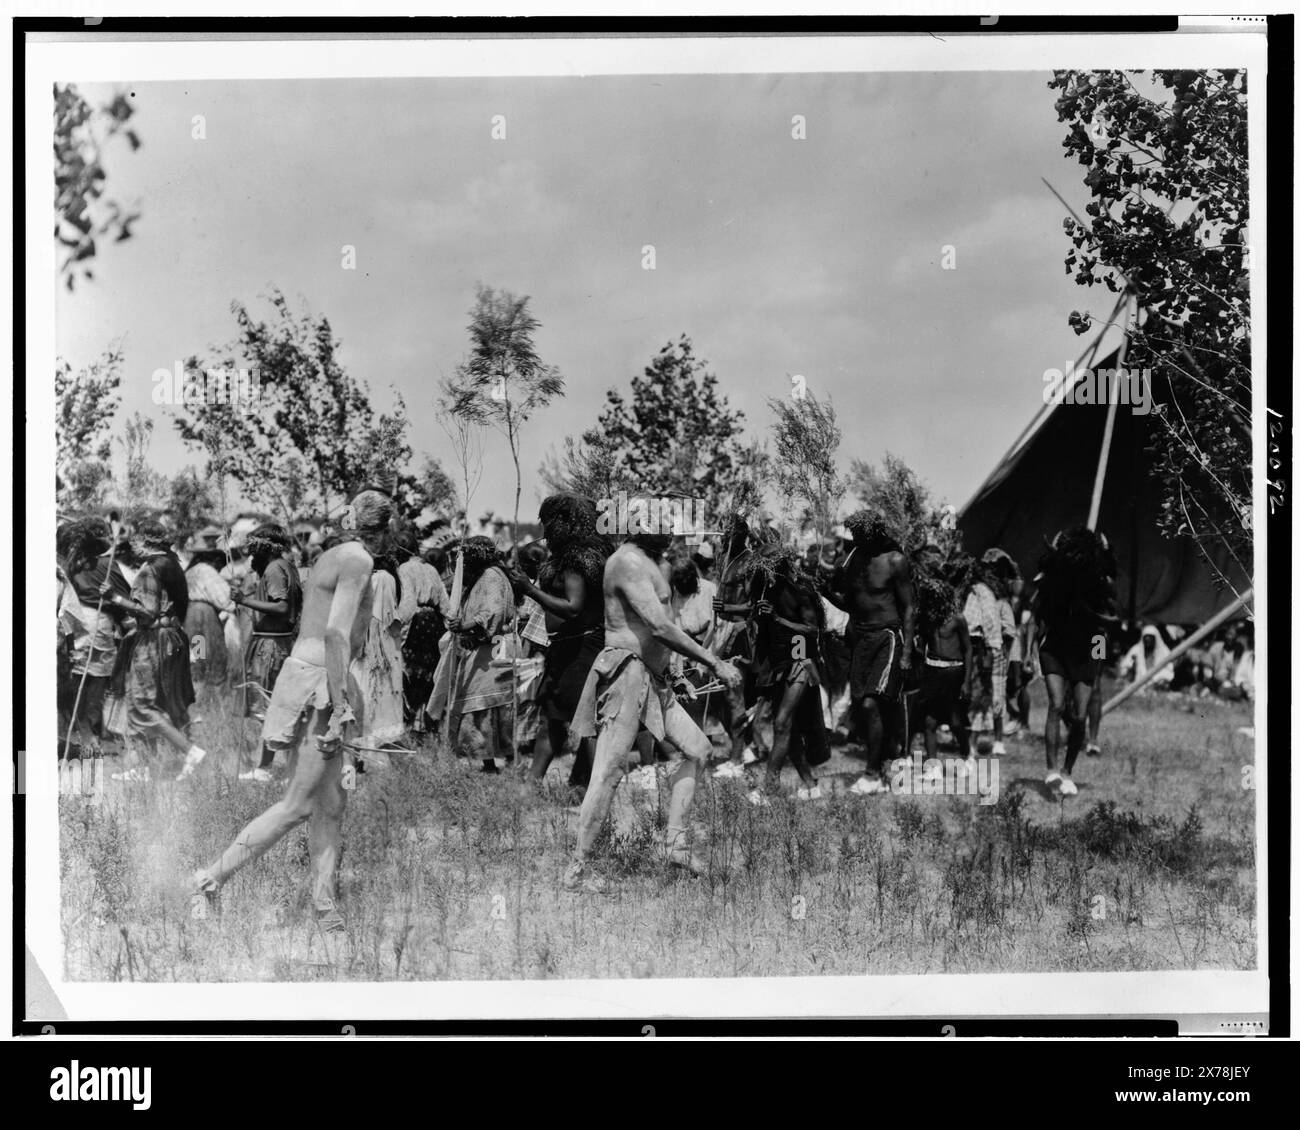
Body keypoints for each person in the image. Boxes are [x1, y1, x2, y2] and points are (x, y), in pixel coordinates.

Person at [193, 489, 391, 932]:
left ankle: (325, 906)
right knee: (298, 805)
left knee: (331, 803)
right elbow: (337, 635)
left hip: (309, 673)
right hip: (321, 683)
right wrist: (341, 706)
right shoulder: (359, 560)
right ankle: (208, 880)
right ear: (383, 529)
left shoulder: (334, 553)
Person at [564, 526, 742, 892]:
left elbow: (667, 622)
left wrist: (675, 672)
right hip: (627, 673)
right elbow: (658, 627)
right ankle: (577, 871)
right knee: (610, 772)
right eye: (660, 523)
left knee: (699, 749)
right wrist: (714, 663)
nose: (670, 531)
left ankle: (673, 843)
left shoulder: (655, 562)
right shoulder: (625, 562)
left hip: (655, 678)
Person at [505, 494, 610, 791]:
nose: (545, 530)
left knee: (585, 721)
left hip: (583, 650)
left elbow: (573, 607)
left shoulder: (578, 560)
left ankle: (595, 788)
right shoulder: (565, 558)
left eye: (549, 523)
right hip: (563, 648)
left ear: (566, 523)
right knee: (552, 717)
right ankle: (533, 784)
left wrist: (528, 588)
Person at [102, 519, 203, 782]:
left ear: (144, 543)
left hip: (153, 639)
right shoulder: (173, 564)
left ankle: (189, 751)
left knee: (142, 704)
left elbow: (147, 611)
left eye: (136, 541)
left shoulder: (150, 570)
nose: (134, 546)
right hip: (173, 637)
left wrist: (116, 598)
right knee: (164, 701)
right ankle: (147, 766)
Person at [825, 510, 914, 796]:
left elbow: (910, 607)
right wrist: (824, 590)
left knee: (870, 705)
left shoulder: (895, 561)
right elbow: (849, 604)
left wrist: (907, 651)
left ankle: (872, 773)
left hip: (887, 637)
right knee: (865, 707)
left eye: (863, 536)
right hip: (860, 639)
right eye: (856, 536)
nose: (859, 540)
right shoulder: (853, 562)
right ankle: (891, 757)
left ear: (876, 533)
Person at [1025, 526, 1118, 796]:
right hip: (1054, 649)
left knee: (1079, 716)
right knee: (1055, 704)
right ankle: (1051, 770)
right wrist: (1031, 652)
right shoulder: (1050, 584)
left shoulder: (1103, 587)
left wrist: (1098, 660)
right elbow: (1034, 618)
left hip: (1088, 651)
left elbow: (1108, 626)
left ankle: (1067, 771)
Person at [428, 536, 518, 773]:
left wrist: (464, 626)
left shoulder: (491, 576)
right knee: (479, 704)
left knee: (483, 704)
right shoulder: (484, 576)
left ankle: (499, 760)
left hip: (492, 651)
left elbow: (492, 612)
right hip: (483, 649)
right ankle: (488, 761)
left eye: (466, 560)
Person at [748, 546, 828, 803]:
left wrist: (778, 619)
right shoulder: (765, 591)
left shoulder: (802, 589)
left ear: (781, 565)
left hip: (802, 661)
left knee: (781, 724)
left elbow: (812, 629)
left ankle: (767, 789)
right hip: (780, 664)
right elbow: (762, 626)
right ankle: (810, 784)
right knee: (789, 731)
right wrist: (757, 616)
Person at [233, 524, 302, 783]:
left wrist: (244, 600)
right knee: (280, 708)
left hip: (272, 646)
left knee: (268, 709)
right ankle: (279, 767)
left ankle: (266, 768)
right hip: (281, 643)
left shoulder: (274, 568)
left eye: (254, 546)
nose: (250, 553)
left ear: (266, 546)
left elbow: (282, 606)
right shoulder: (286, 566)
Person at [57, 516, 127, 760]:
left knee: (75, 677)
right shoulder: (105, 565)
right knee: (96, 680)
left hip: (71, 620)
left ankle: (82, 731)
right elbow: (122, 597)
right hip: (98, 621)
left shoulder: (70, 564)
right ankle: (90, 735)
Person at [911, 569, 972, 762]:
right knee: (929, 721)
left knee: (955, 721)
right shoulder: (926, 619)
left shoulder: (957, 619)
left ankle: (966, 754)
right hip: (932, 671)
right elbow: (920, 645)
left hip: (954, 671)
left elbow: (968, 650)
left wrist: (967, 681)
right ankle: (933, 766)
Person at [350, 548, 406, 760]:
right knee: (375, 693)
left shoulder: (380, 578)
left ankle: (369, 751)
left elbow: (376, 614)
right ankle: (369, 750)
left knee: (370, 694)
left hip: (375, 647)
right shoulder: (388, 578)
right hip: (381, 645)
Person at [394, 530, 451, 734]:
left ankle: (407, 722)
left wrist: (396, 626)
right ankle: (423, 723)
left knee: (409, 673)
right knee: (429, 674)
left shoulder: (404, 569)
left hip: (415, 625)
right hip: (434, 624)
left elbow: (408, 603)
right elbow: (445, 603)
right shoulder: (431, 570)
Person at [184, 547, 235, 711]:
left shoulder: (191, 571)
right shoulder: (207, 571)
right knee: (215, 656)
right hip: (204, 617)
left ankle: (198, 701)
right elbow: (225, 599)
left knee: (198, 657)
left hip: (189, 617)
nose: (220, 569)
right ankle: (218, 703)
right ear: (216, 561)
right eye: (221, 566)